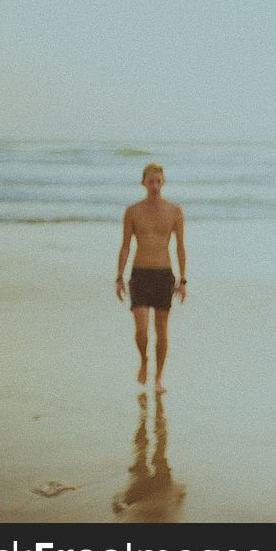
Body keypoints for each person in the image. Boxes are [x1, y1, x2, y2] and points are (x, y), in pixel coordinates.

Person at [116, 162, 187, 393]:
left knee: (161, 328)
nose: (155, 185)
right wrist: (119, 277)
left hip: (164, 274)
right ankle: (144, 360)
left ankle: (158, 377)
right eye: (150, 181)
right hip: (140, 273)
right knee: (141, 329)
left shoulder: (175, 211)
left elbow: (180, 248)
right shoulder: (133, 211)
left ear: (163, 182)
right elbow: (125, 246)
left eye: (158, 181)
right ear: (143, 183)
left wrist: (183, 280)